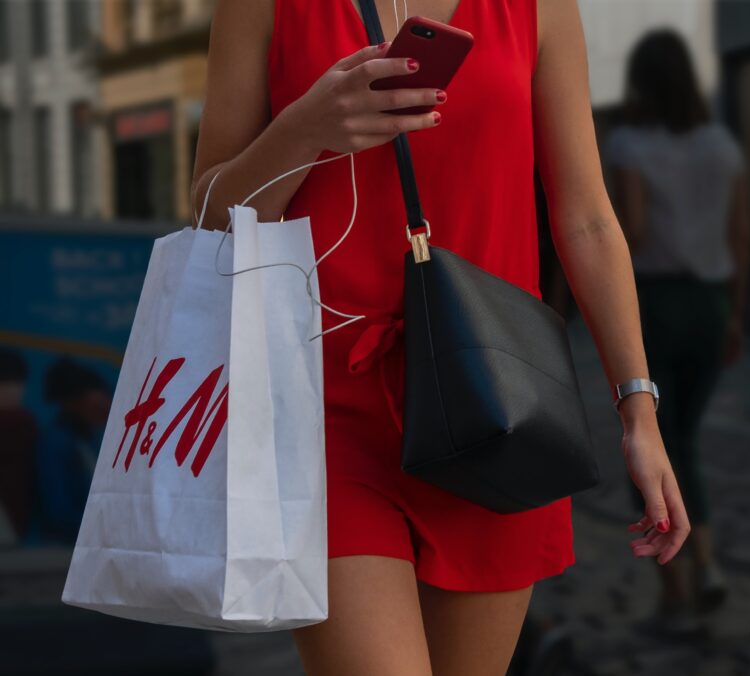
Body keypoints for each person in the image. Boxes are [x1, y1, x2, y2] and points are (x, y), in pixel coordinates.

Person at [191, 2, 690, 674]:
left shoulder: (540, 8)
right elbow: (208, 216)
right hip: (322, 412)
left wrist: (638, 409)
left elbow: (587, 219)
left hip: (494, 405)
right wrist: (303, 130)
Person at [603, 29, 750, 633]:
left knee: (649, 448)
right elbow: (742, 237)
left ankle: (673, 592)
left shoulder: (629, 144)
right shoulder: (722, 146)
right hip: (712, 303)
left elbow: (631, 231)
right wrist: (736, 314)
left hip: (656, 305)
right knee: (683, 439)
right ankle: (709, 565)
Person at [29, 358, 111, 546]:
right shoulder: (56, 443)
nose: (105, 411)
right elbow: (58, 511)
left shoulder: (87, 441)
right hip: (63, 547)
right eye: (98, 407)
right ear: (74, 402)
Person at [0, 349, 38, 545]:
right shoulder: (25, 424)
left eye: (17, 383)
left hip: (21, 530)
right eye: (5, 383)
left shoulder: (26, 425)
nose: (13, 390)